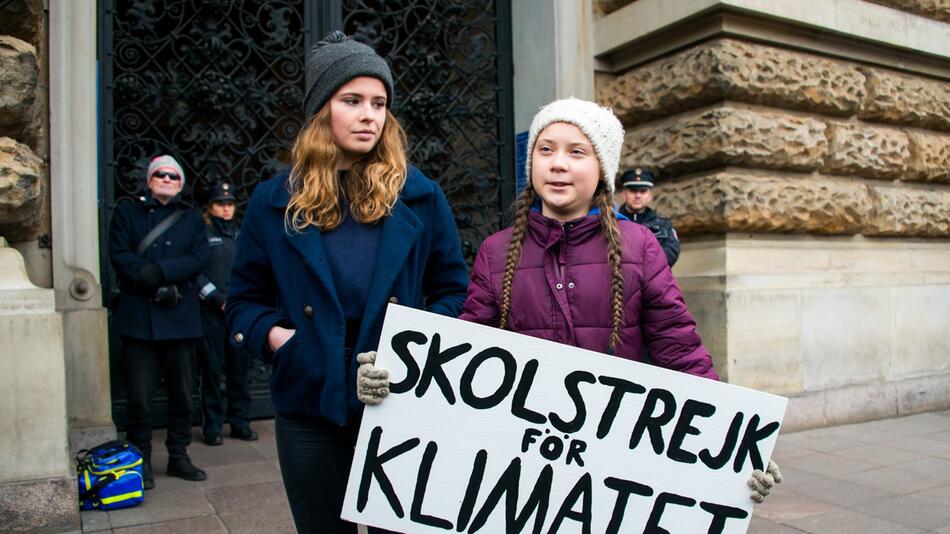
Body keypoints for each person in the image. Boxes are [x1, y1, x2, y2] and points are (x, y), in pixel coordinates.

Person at [356, 98, 782, 503]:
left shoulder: (642, 247)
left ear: (602, 171)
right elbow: (459, 363)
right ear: (532, 164)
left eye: (577, 152)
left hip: (612, 466)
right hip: (523, 468)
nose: (558, 163)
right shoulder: (496, 252)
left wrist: (737, 445)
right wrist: (395, 385)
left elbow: (682, 353)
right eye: (546, 149)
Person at [225, 31, 469, 534]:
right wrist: (282, 340)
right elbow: (243, 302)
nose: (369, 115)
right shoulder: (275, 203)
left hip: (400, 403)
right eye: (352, 100)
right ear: (322, 110)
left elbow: (454, 293)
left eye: (379, 103)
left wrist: (411, 348)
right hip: (310, 403)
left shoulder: (420, 196)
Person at [108, 154, 210, 490]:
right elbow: (118, 252)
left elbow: (198, 257)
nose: (166, 180)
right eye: (160, 175)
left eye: (173, 176)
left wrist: (164, 272)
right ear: (150, 180)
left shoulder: (193, 220)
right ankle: (140, 460)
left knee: (182, 395)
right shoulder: (127, 213)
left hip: (180, 320)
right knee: (139, 396)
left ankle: (178, 455)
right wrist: (147, 276)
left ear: (180, 184)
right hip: (139, 319)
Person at [195, 181, 258, 446]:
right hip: (212, 312)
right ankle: (212, 426)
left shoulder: (241, 233)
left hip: (238, 312)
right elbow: (195, 272)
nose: (226, 209)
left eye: (230, 204)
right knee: (211, 372)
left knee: (239, 371)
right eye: (221, 204)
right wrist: (217, 299)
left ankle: (240, 422)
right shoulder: (202, 233)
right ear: (210, 207)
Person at [618, 167, 681, 267]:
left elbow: (672, 251)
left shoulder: (663, 224)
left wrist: (643, 261)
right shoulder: (612, 221)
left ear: (650, 195)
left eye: (643, 191)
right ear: (624, 194)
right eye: (633, 191)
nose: (638, 195)